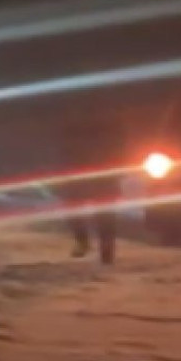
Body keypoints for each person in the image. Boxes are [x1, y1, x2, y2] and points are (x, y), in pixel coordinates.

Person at [53, 100, 125, 265]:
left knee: (102, 214)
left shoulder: (106, 125)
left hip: (98, 173)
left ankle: (101, 249)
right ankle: (90, 244)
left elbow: (65, 150)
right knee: (81, 210)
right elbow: (65, 150)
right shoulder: (78, 126)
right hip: (87, 172)